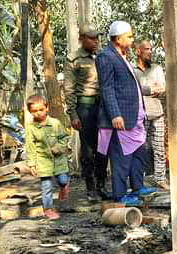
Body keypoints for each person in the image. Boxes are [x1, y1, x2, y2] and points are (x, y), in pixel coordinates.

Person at [96, 21, 156, 205]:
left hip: (133, 117)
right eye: (128, 36)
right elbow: (107, 88)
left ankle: (138, 187)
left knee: (138, 153)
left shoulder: (122, 56)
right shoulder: (105, 56)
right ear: (118, 38)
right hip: (121, 117)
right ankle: (120, 194)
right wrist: (115, 114)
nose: (131, 39)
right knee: (121, 157)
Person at [64, 24, 108, 201]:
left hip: (104, 108)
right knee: (88, 149)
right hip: (86, 107)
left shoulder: (103, 55)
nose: (96, 41)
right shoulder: (73, 59)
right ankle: (90, 188)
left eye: (97, 38)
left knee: (103, 148)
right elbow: (69, 89)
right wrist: (73, 115)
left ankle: (101, 185)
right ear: (82, 39)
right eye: (92, 38)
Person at [25, 95, 71, 220]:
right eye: (34, 111)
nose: (38, 113)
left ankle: (64, 187)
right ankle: (48, 209)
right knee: (46, 187)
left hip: (59, 160)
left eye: (41, 109)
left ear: (47, 108)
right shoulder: (30, 128)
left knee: (63, 180)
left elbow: (65, 137)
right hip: (43, 160)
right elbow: (30, 146)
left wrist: (59, 148)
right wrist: (32, 163)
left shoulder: (55, 123)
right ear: (30, 112)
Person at [134, 39, 169, 190]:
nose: (150, 52)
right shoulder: (131, 69)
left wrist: (144, 89)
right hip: (139, 114)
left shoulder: (157, 68)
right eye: (146, 49)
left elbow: (162, 87)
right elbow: (133, 89)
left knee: (159, 149)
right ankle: (140, 179)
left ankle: (160, 178)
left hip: (157, 113)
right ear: (138, 51)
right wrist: (149, 89)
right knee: (140, 148)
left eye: (151, 49)